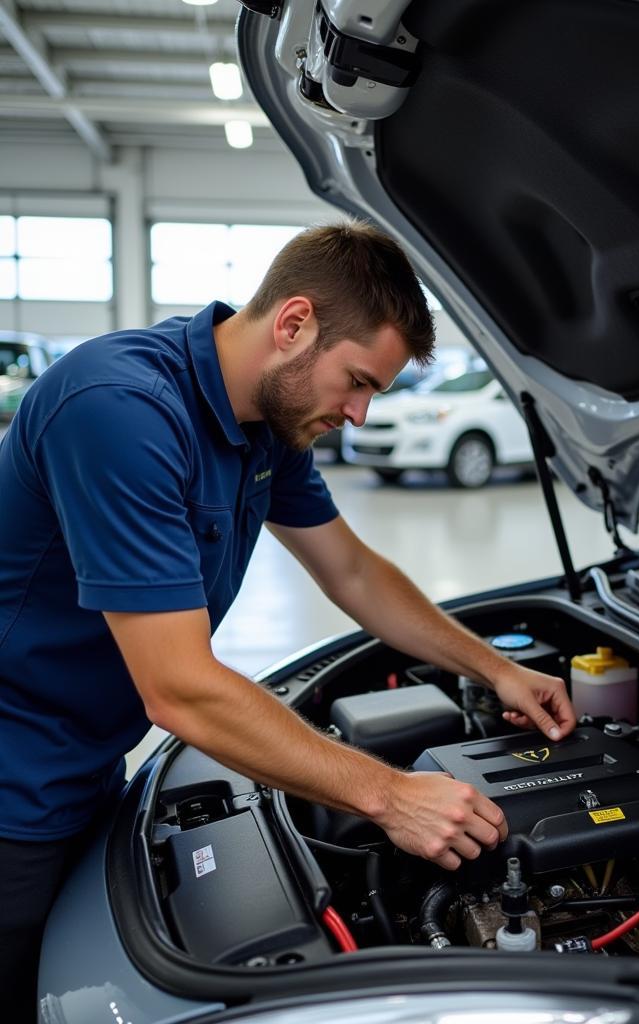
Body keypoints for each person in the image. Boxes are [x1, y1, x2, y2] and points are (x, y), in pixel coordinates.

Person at [0, 221, 576, 1017]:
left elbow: (354, 572)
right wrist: (389, 796)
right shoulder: (119, 411)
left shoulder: (268, 426)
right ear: (294, 324)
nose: (362, 414)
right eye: (359, 381)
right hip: (13, 787)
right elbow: (179, 689)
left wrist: (496, 667)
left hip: (90, 764)